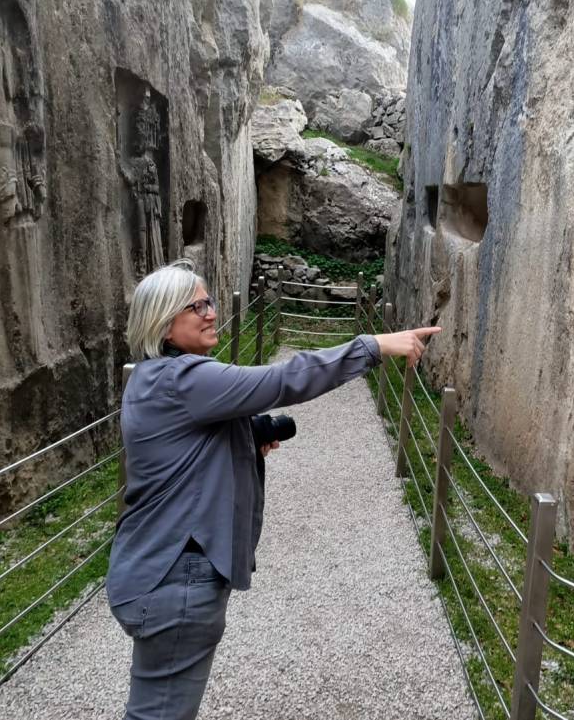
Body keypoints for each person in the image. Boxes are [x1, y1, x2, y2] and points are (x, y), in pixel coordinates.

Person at [106, 259, 440, 720]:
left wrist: (247, 438)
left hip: (155, 567)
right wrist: (373, 346)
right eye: (195, 305)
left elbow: (185, 452)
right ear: (163, 323)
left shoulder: (153, 379)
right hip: (175, 578)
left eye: (209, 301)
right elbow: (281, 380)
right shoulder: (185, 379)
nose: (210, 312)